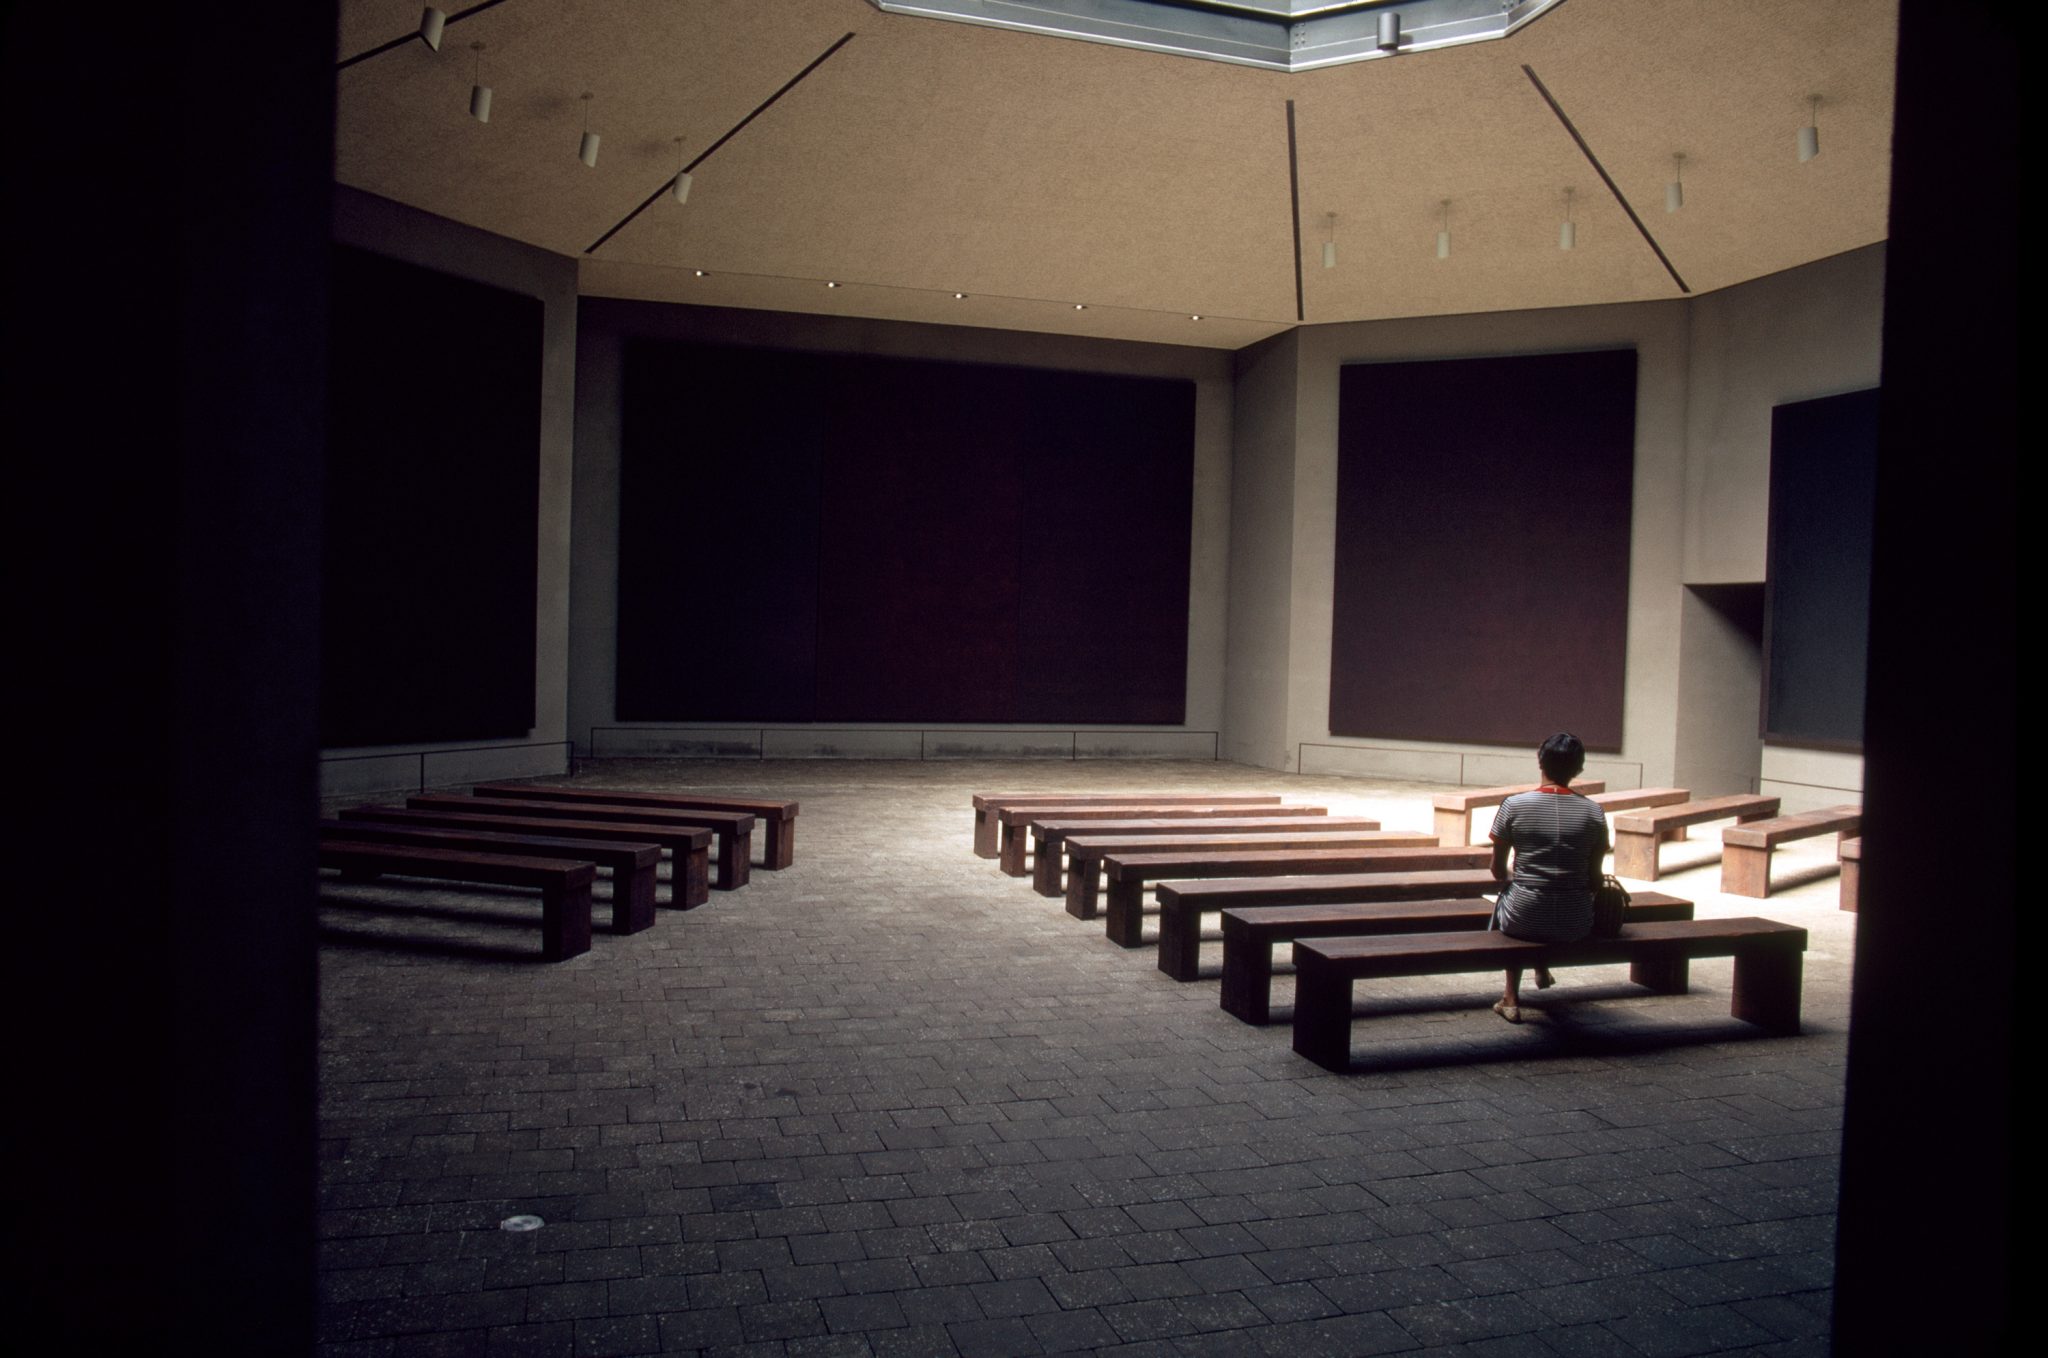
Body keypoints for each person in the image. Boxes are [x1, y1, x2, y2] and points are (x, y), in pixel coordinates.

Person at [1487, 732, 1609, 1023]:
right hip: (1574, 921)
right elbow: (1595, 878)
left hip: (1524, 917)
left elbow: (1497, 870)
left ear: (1540, 762)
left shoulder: (1513, 806)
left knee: (1514, 899)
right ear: (1579, 769)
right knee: (1552, 899)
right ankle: (1541, 966)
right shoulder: (1595, 813)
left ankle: (1510, 998)